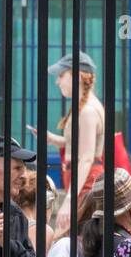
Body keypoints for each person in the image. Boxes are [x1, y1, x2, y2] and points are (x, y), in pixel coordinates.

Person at [39, 51, 105, 233]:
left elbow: (86, 158)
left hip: (85, 184)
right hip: (82, 183)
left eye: (61, 75)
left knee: (66, 237)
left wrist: (68, 201)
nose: (57, 81)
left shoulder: (88, 111)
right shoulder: (85, 107)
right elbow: (80, 146)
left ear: (76, 76)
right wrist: (54, 139)